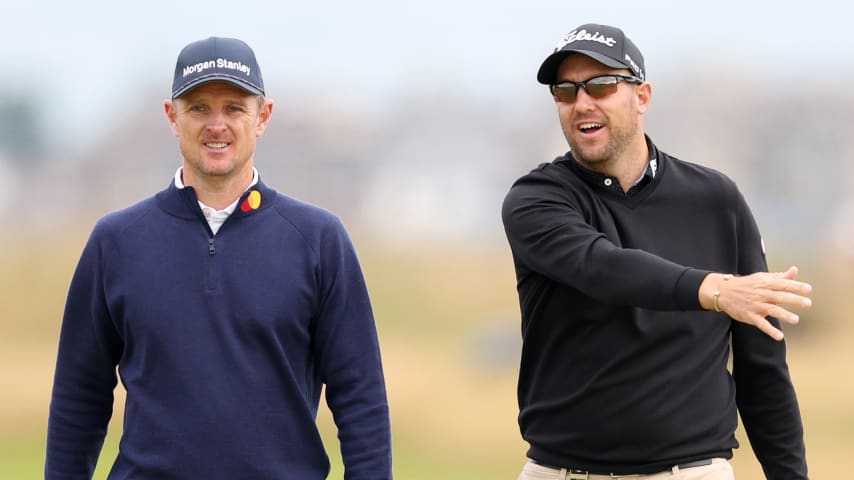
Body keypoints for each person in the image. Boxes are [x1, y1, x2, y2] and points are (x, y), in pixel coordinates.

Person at [46, 36, 392, 479]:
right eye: (198, 108)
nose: (216, 124)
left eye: (233, 108)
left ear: (262, 117)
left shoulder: (319, 241)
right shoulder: (116, 242)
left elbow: (360, 398)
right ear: (172, 117)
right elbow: (79, 397)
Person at [501, 24, 811, 480]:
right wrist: (714, 288)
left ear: (641, 97)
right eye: (565, 91)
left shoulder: (715, 200)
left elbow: (762, 371)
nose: (582, 102)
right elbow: (600, 267)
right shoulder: (537, 199)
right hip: (563, 472)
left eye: (601, 85)